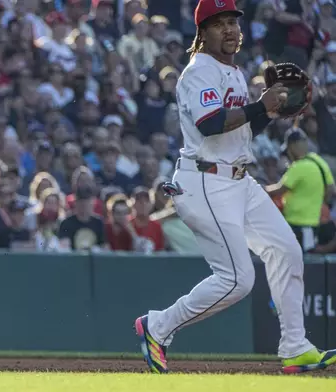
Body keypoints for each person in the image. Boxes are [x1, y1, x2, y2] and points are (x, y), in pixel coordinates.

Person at [134, 0, 336, 375]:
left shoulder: (234, 72)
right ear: (202, 31)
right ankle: (157, 325)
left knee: (287, 250)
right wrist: (261, 106)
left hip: (238, 180)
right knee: (237, 280)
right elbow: (211, 124)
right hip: (205, 182)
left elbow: (239, 129)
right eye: (219, 22)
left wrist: (269, 113)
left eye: (233, 22)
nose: (229, 29)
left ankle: (294, 347)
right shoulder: (198, 71)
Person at [265, 128, 335, 252]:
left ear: (292, 146)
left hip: (298, 224)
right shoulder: (318, 160)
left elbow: (279, 190)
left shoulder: (298, 166)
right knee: (305, 258)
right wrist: (316, 202)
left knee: (302, 259)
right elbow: (331, 189)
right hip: (312, 222)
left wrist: (261, 189)